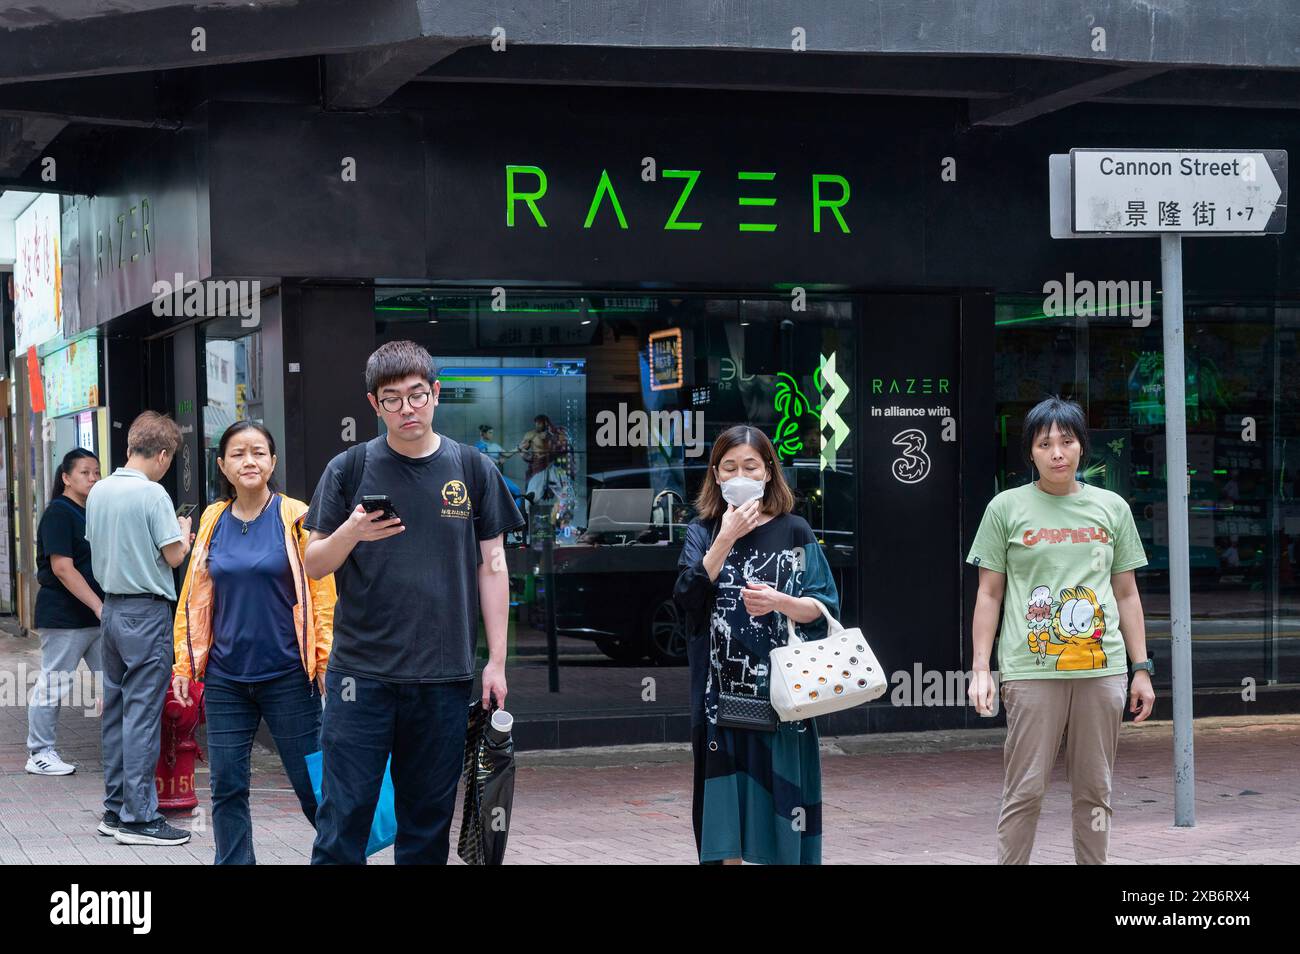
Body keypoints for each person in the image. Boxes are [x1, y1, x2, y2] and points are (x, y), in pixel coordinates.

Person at [303, 340, 523, 865]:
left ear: (436, 394)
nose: (408, 409)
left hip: (443, 677)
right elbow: (314, 563)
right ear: (374, 405)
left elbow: (493, 568)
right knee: (343, 818)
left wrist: (496, 661)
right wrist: (352, 531)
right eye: (393, 398)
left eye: (418, 395)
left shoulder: (473, 469)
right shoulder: (348, 468)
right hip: (362, 676)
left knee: (427, 826)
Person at [966, 396, 1155, 865]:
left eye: (1066, 442)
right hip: (1031, 671)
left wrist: (1141, 669)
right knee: (1024, 791)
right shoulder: (1005, 508)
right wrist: (980, 669)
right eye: (1045, 442)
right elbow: (989, 594)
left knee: (1095, 793)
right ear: (1029, 452)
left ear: (1081, 449)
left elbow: (1127, 593)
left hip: (1101, 669)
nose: (1056, 452)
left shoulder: (1111, 508)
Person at [171, 421, 337, 864]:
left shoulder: (297, 516)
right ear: (223, 465)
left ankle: (340, 855)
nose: (250, 461)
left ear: (273, 462)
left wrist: (325, 664)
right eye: (239, 453)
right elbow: (195, 597)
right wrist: (185, 665)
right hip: (226, 678)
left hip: (288, 675)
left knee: (313, 785)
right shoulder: (212, 520)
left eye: (259, 452)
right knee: (226, 786)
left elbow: (322, 595)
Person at [673, 424, 840, 865]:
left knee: (782, 817)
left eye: (750, 465)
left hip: (784, 701)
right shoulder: (702, 531)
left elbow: (824, 609)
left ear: (768, 472)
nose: (740, 474)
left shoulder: (796, 531)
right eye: (729, 467)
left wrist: (781, 602)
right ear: (716, 474)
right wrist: (725, 537)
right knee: (725, 826)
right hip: (719, 703)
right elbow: (687, 597)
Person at [85, 411, 194, 846]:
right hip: (146, 614)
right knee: (142, 717)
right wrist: (183, 534)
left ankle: (114, 809)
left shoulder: (98, 491)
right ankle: (140, 817)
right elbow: (172, 557)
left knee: (116, 712)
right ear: (163, 455)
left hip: (110, 611)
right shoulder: (153, 495)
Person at [26, 449, 105, 776]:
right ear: (66, 478)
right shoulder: (60, 513)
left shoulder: (92, 512)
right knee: (54, 683)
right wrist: (99, 606)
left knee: (118, 681)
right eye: (85, 472)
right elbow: (62, 568)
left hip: (95, 615)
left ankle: (122, 746)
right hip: (65, 616)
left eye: (96, 472)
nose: (92, 478)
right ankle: (39, 753)